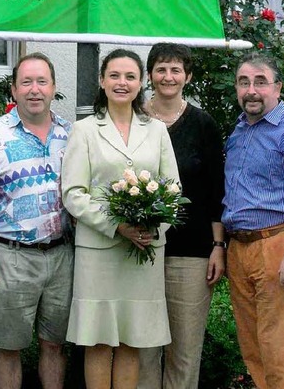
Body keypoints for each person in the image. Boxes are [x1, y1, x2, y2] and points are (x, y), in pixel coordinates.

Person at [62, 48, 180, 389]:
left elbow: (172, 188)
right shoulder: (84, 130)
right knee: (99, 339)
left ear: (141, 82)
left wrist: (150, 225)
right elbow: (73, 193)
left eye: (130, 76)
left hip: (142, 252)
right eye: (114, 75)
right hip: (99, 251)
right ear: (102, 81)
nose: (122, 83)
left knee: (132, 338)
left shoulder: (156, 130)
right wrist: (117, 224)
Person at [0, 53, 73, 389]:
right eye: (26, 82)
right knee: (8, 347)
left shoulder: (71, 135)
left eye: (42, 81)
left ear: (53, 87)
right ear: (14, 89)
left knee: (54, 344)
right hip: (10, 257)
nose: (34, 90)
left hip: (61, 256)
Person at [222, 53, 284, 389]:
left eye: (261, 82)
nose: (251, 90)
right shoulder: (239, 132)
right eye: (244, 82)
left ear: (278, 88)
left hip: (280, 245)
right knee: (255, 350)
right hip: (241, 249)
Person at [138, 43, 226, 389]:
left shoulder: (203, 125)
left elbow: (216, 190)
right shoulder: (134, 119)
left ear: (187, 76)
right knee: (143, 345)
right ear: (150, 75)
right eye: (161, 69)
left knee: (184, 347)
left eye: (176, 70)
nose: (168, 76)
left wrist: (219, 245)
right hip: (138, 248)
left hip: (190, 252)